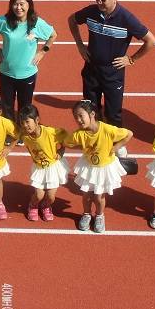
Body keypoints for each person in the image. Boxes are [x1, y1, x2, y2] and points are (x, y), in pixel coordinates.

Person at [67, 0, 155, 154]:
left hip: (113, 74)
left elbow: (151, 40)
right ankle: (93, 141)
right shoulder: (91, 12)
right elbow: (71, 20)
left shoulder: (127, 19)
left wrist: (131, 59)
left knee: (113, 112)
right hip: (91, 70)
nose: (99, 2)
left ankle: (117, 144)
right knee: (90, 108)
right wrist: (79, 44)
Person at [0, 0, 56, 134]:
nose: (19, 8)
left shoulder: (36, 23)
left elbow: (53, 35)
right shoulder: (4, 21)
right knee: (7, 106)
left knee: (25, 106)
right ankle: (11, 133)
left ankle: (24, 132)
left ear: (29, 5)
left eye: (22, 4)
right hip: (6, 72)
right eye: (15, 4)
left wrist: (43, 51)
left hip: (27, 74)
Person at [64, 99, 132, 233]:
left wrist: (115, 148)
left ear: (92, 114)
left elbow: (129, 134)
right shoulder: (79, 134)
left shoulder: (107, 129)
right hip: (89, 167)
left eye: (81, 116)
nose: (78, 120)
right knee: (86, 195)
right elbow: (67, 143)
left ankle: (100, 215)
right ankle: (86, 214)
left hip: (104, 168)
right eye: (76, 117)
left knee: (99, 196)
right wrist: (82, 148)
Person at [17, 104, 68, 222]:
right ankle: (33, 205)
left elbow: (65, 137)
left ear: (37, 120)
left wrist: (61, 151)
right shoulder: (25, 136)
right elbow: (15, 137)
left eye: (27, 121)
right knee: (39, 195)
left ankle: (46, 206)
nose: (25, 125)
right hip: (39, 168)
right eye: (22, 122)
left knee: (50, 196)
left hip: (53, 167)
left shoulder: (50, 132)